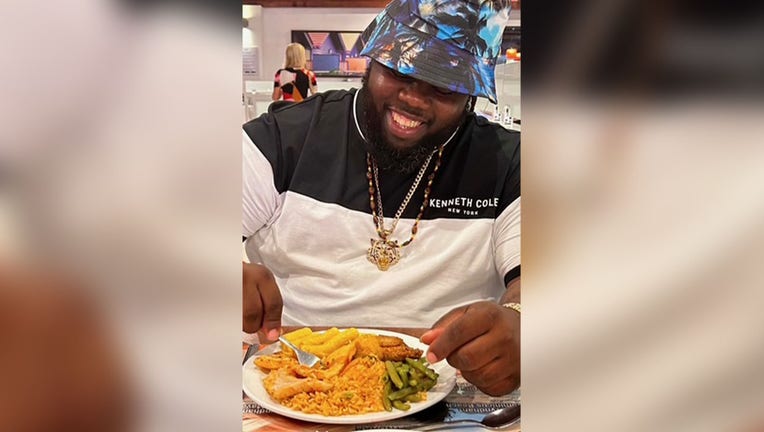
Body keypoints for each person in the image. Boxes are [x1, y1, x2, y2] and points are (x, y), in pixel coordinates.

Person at [243, 0, 520, 396]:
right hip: (290, 382)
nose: (414, 99)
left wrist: (521, 318)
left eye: (445, 85)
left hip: (443, 386)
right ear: (372, 61)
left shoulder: (508, 163)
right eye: (400, 69)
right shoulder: (281, 141)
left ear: (471, 96)